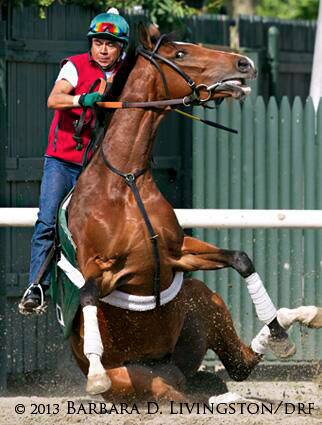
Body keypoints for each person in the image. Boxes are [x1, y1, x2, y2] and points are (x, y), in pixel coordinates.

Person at [19, 8, 130, 315]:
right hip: (62, 162)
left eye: (110, 44)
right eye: (98, 42)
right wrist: (82, 99)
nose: (103, 49)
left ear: (121, 47)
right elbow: (54, 99)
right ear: (91, 44)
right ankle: (35, 287)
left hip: (99, 168)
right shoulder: (75, 66)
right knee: (48, 220)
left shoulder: (126, 74)